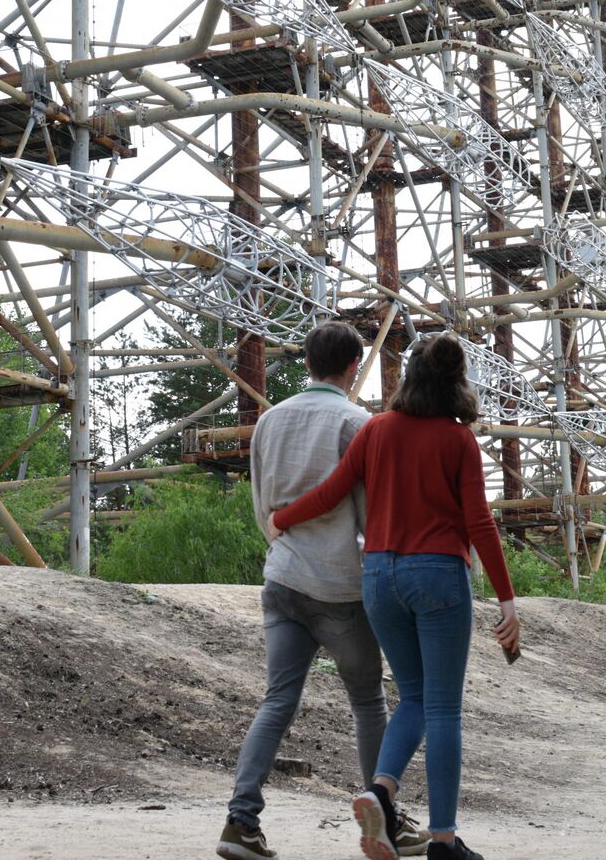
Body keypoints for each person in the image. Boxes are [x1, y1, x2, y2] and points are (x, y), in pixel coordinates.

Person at [269, 334, 519, 860]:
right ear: (455, 382)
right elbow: (478, 522)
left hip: (380, 576)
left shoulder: (376, 429)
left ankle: (379, 790)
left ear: (409, 377)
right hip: (437, 575)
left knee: (415, 698)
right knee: (445, 709)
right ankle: (444, 841)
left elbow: (332, 491)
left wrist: (282, 517)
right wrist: (507, 599)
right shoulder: (458, 440)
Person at [218, 322, 429, 860]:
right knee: (367, 701)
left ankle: (241, 821)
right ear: (354, 366)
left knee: (277, 701)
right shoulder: (357, 422)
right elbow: (368, 511)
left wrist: (282, 542)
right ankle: (387, 819)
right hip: (339, 584)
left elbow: (262, 502)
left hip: (282, 575)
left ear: (307, 362)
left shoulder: (270, 420)